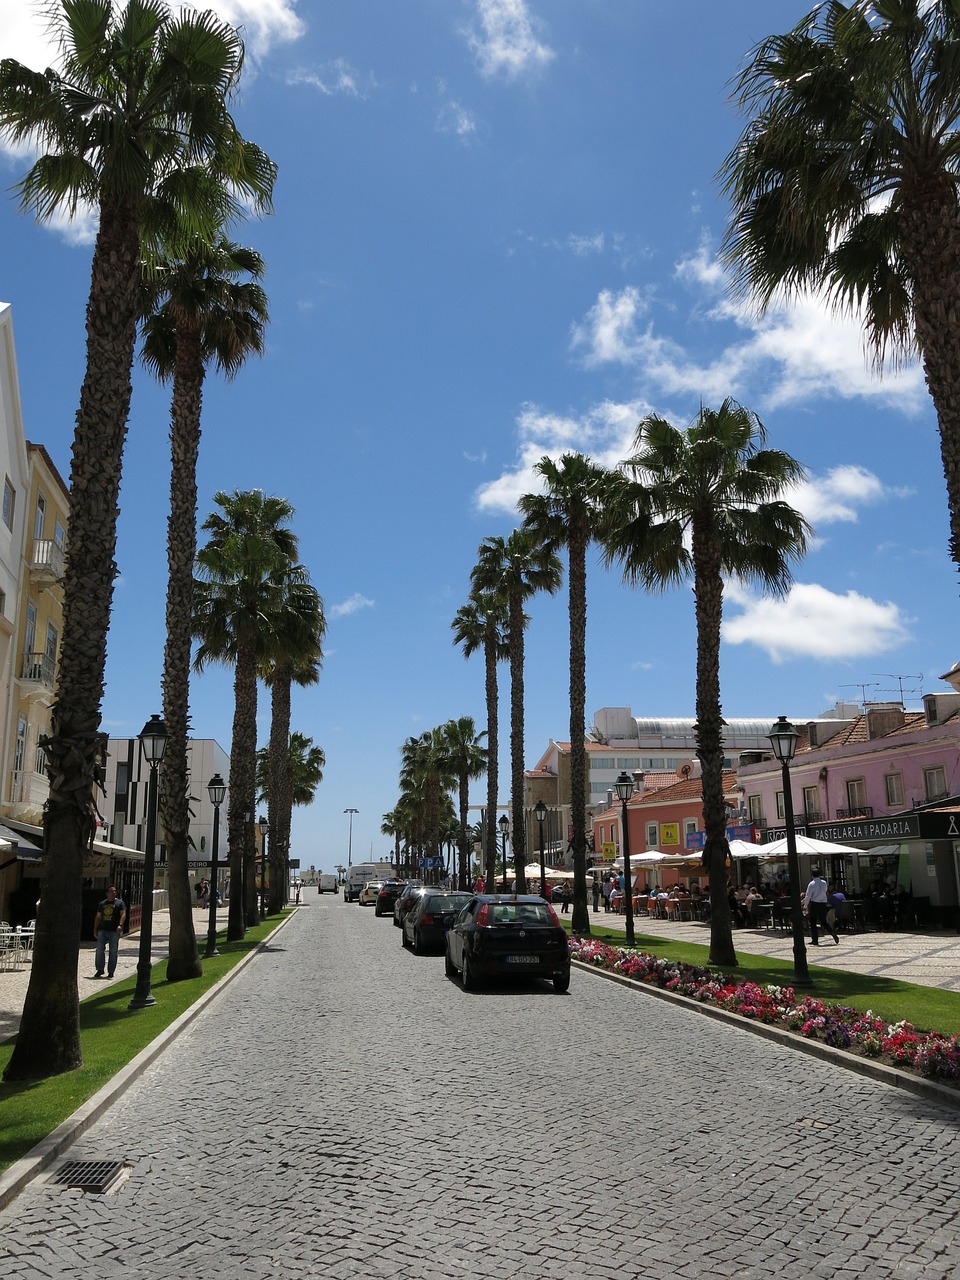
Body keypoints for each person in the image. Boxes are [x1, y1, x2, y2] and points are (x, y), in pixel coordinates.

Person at [93, 884, 127, 979]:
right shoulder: (102, 904)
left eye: (114, 891)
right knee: (99, 950)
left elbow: (123, 914)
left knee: (113, 951)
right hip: (103, 930)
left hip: (114, 931)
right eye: (111, 891)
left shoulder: (119, 903)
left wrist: (120, 925)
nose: (113, 893)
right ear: (107, 893)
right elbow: (98, 917)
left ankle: (111, 971)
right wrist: (95, 930)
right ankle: (100, 969)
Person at [803, 866, 839, 946]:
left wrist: (805, 906)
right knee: (823, 922)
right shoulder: (824, 883)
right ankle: (832, 932)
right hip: (823, 904)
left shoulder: (811, 884)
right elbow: (825, 891)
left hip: (814, 904)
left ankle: (815, 940)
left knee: (813, 922)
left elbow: (808, 896)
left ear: (812, 875)